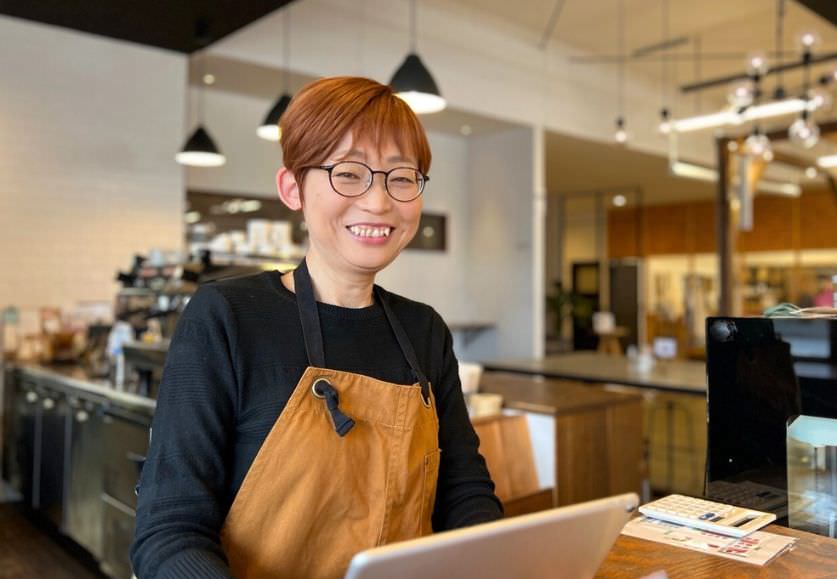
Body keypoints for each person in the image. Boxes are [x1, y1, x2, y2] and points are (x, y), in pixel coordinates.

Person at [130, 76, 503, 579]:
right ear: (292, 188)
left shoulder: (424, 330)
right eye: (349, 174)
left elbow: (465, 495)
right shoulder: (227, 316)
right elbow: (168, 532)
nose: (378, 201)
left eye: (401, 176)